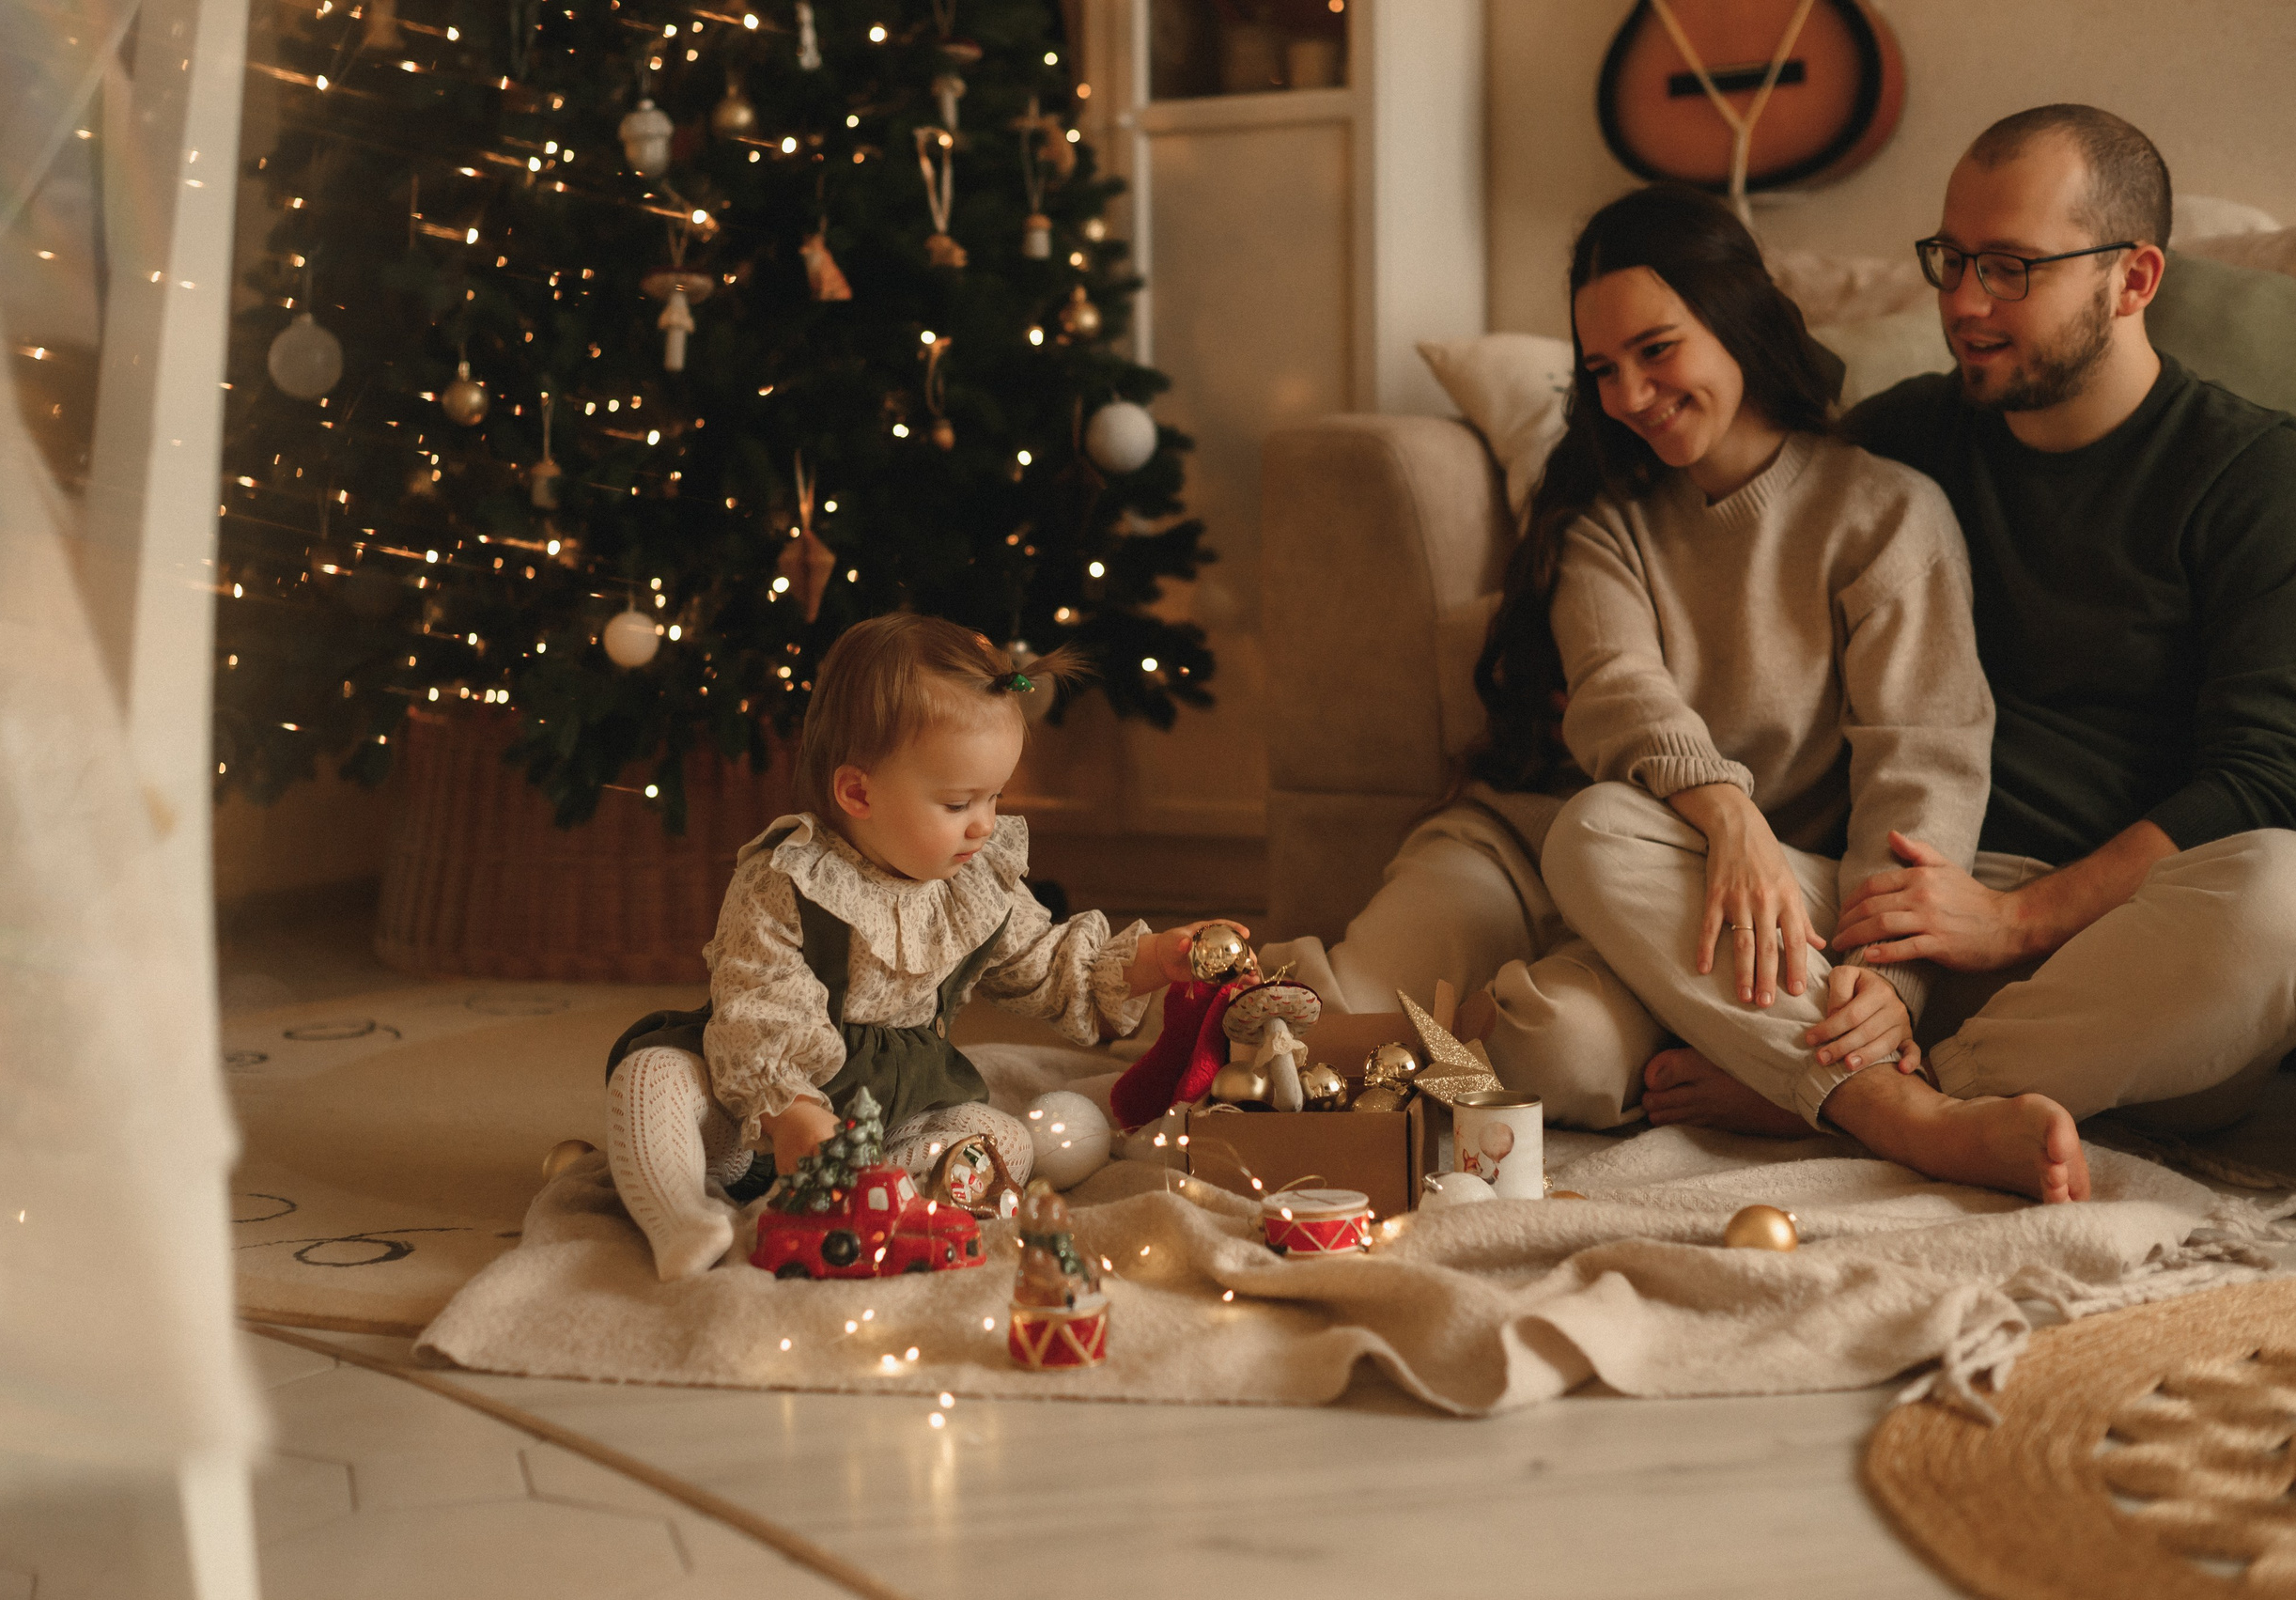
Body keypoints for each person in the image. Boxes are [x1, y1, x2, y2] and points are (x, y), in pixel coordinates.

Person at [1634, 105, 2296, 1204]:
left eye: (2008, 268)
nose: (1960, 304)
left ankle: (1862, 1091)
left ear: (2133, 278)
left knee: (2291, 893)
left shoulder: (2252, 474)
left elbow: (2266, 771)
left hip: (2122, 957)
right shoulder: (1900, 440)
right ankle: (1884, 1086)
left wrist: (2017, 919)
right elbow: (1743, 560)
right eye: (1951, 260)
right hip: (1884, 914)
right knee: (1607, 828)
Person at [1276, 182, 1995, 1135]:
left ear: (1733, 318)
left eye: (1656, 350)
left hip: (1691, 904)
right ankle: (1275, 1036)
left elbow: (1922, 764)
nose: (1628, 397)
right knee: (1308, 1018)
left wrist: (1890, 983)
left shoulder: (1890, 514)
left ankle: (1747, 1073)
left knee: (1557, 1052)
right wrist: (1727, 810)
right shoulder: (1603, 521)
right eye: (1602, 369)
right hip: (1525, 851)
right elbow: (1622, 693)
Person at [602, 613, 1239, 1279]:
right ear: (858, 792)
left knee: (1006, 1142)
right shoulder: (789, 877)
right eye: (959, 802)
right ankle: (681, 1219)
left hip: (892, 1112)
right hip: (755, 1105)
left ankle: (867, 1196)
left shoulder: (975, 882)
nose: (985, 824)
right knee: (651, 1078)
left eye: (994, 796)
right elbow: (758, 1002)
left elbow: (1047, 964)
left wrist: (1151, 960)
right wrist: (790, 1113)